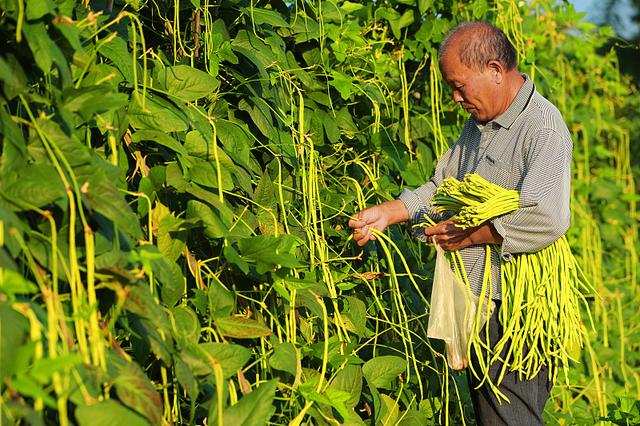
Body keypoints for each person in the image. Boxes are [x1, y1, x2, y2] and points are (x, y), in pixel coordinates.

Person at [348, 22, 572, 425]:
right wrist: (392, 211)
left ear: (494, 69)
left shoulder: (542, 128)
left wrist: (472, 234)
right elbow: (444, 187)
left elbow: (547, 214)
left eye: (459, 86)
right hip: (482, 307)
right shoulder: (480, 125)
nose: (455, 98)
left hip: (515, 311)